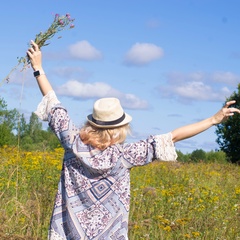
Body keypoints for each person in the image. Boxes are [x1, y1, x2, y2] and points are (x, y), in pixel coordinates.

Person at [27, 40, 240, 240]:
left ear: (93, 122)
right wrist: (213, 120)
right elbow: (174, 136)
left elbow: (53, 102)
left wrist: (38, 68)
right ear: (118, 128)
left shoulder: (71, 142)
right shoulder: (125, 155)